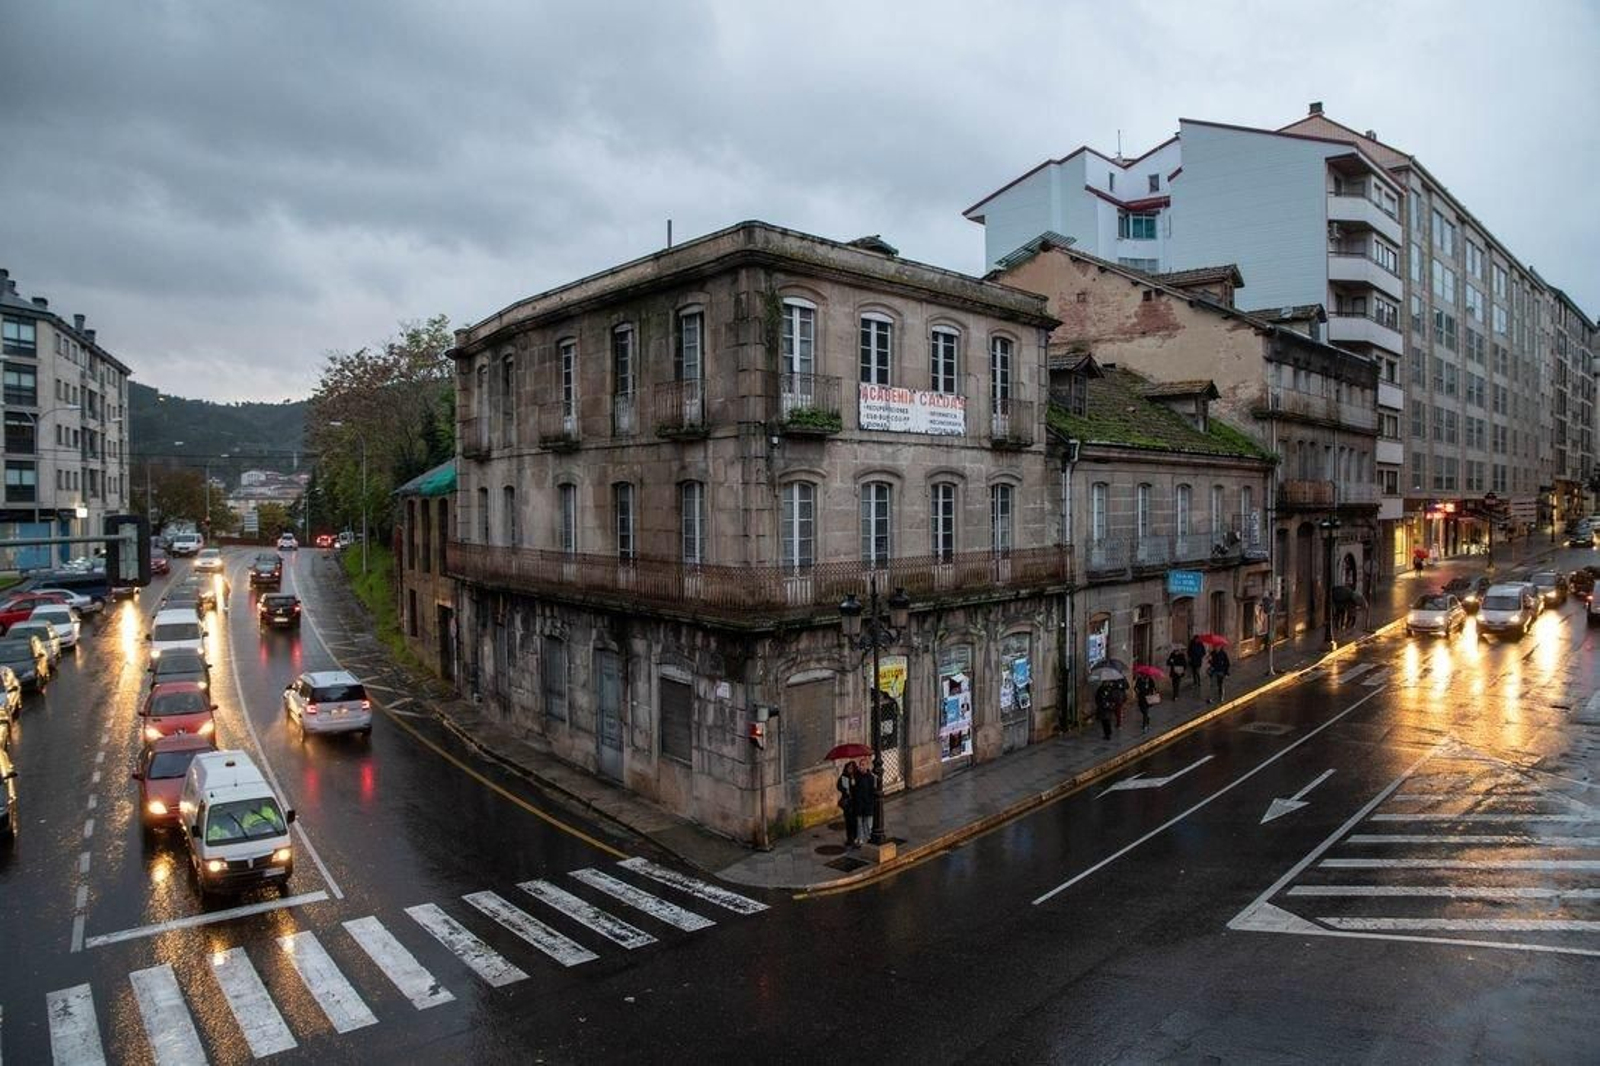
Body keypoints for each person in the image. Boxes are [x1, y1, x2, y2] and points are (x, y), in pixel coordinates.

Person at [853, 762, 878, 843]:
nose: (861, 766)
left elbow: (873, 790)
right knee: (859, 823)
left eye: (863, 764)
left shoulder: (870, 777)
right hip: (859, 804)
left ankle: (868, 838)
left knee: (868, 824)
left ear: (867, 766)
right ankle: (860, 838)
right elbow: (854, 790)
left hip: (867, 804)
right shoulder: (856, 776)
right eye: (860, 764)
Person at [836, 762, 858, 847]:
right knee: (848, 822)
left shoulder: (856, 776)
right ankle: (850, 839)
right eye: (849, 768)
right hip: (847, 803)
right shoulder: (844, 776)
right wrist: (845, 790)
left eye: (852, 768)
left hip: (855, 803)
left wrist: (854, 784)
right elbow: (838, 786)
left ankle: (856, 839)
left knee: (855, 822)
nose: (850, 770)